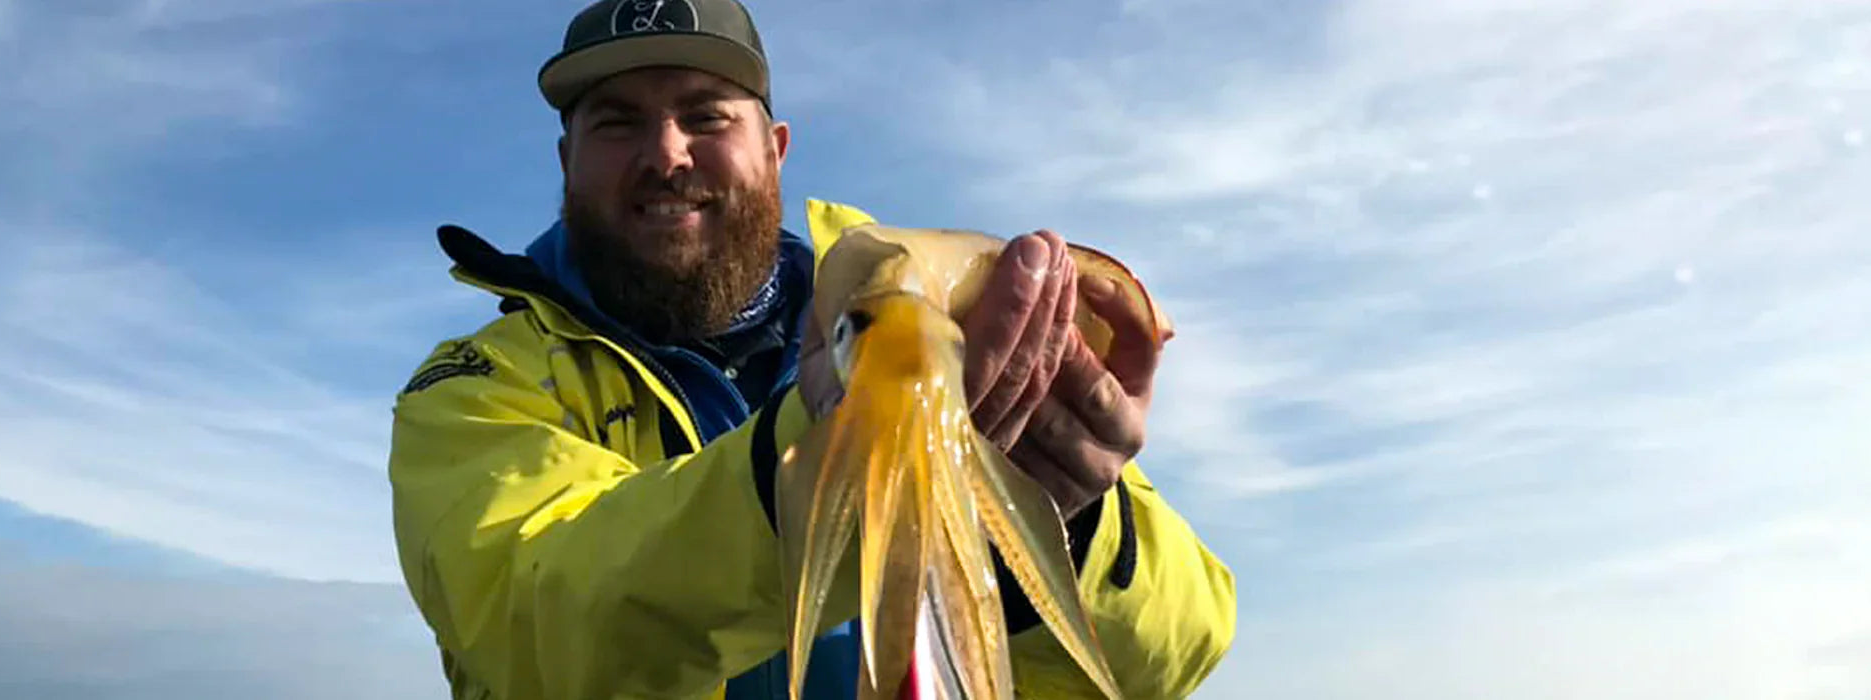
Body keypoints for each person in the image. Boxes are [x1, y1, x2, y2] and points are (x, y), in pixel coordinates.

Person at [385, 1, 1237, 698]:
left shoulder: (948, 324)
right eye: (617, 124)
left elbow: (1175, 650)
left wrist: (1070, 517)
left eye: (705, 114)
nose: (666, 154)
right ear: (567, 160)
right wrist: (822, 456)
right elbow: (535, 623)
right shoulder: (476, 387)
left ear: (775, 149)